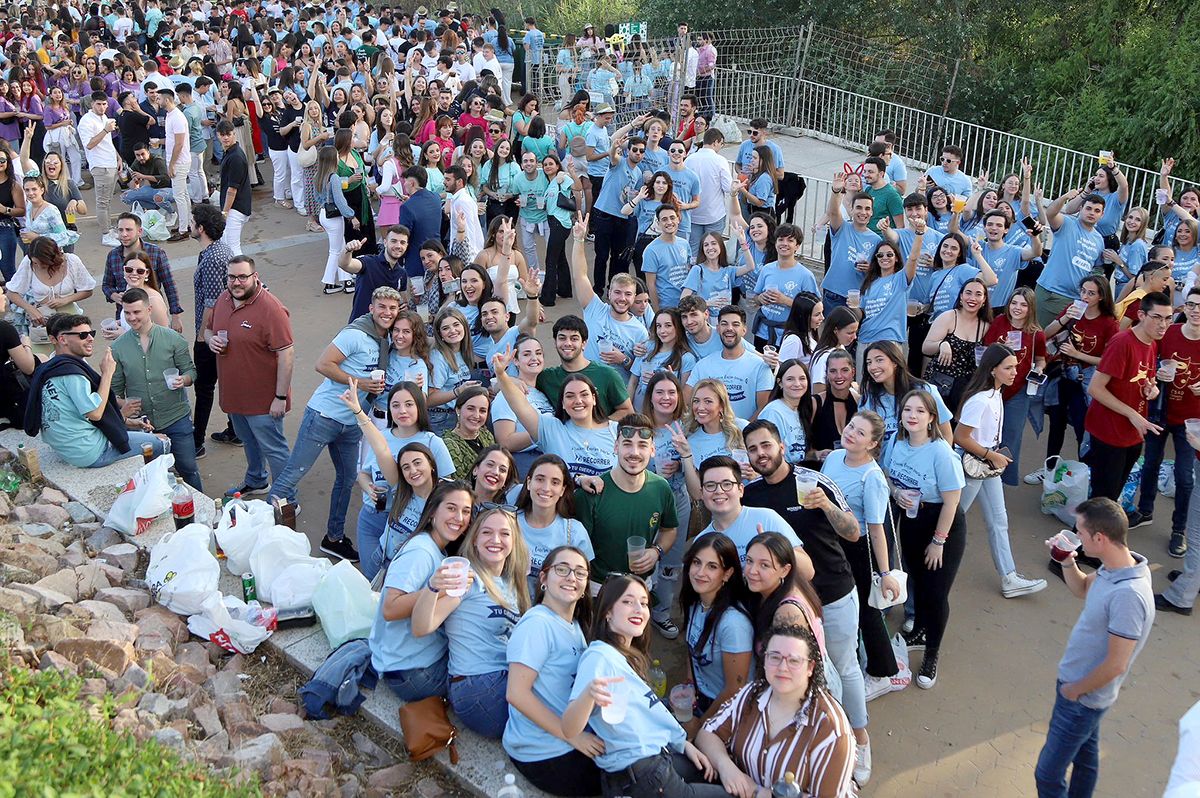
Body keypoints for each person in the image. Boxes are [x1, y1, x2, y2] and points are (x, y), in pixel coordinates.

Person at [742, 418, 875, 784]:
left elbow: (853, 531)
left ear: (781, 445)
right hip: (788, 604)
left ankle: (860, 741)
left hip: (833, 593)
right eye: (753, 449)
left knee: (845, 667)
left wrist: (827, 507)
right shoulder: (751, 495)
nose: (760, 454)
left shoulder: (813, 480)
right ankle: (826, 747)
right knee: (813, 678)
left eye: (766, 445)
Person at [1034, 498, 1155, 798]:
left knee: (1047, 775)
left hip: (1082, 698)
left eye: (1081, 533)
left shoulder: (1129, 596)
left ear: (1100, 539)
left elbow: (1117, 664)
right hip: (1083, 692)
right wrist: (1066, 560)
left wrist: (1074, 690)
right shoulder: (1116, 567)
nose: (1077, 537)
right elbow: (1083, 589)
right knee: (1086, 761)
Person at [270, 288, 402, 560]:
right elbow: (323, 365)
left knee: (346, 479)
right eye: (382, 307)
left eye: (392, 308)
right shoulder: (355, 335)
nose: (387, 313)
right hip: (323, 417)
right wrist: (360, 383)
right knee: (293, 474)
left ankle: (334, 537)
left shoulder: (386, 339)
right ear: (371, 308)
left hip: (352, 422)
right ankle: (263, 534)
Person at [563, 575, 724, 798]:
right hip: (642, 776)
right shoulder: (600, 656)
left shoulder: (626, 657)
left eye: (644, 603)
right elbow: (570, 728)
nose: (639, 609)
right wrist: (588, 695)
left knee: (716, 773)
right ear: (607, 612)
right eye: (628, 602)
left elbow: (646, 715)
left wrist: (685, 745)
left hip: (655, 761)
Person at [696, 624, 856, 798]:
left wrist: (760, 793)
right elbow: (707, 734)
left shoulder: (831, 730)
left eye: (794, 660)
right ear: (764, 660)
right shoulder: (752, 693)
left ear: (810, 668)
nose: (782, 667)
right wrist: (725, 766)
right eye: (774, 657)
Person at [412, 507, 530, 738]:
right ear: (474, 539)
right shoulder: (467, 579)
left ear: (514, 541)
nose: (495, 540)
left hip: (507, 677)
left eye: (505, 534)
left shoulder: (512, 585)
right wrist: (433, 587)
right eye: (486, 532)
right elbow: (420, 627)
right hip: (477, 686)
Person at [504, 546, 603, 796]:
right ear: (544, 578)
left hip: (569, 731)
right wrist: (572, 736)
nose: (572, 577)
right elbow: (516, 693)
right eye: (562, 569)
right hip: (542, 749)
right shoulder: (538, 624)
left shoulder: (576, 625)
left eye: (580, 573)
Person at [884, 390, 966, 689]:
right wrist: (896, 492)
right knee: (917, 579)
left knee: (935, 593)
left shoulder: (941, 452)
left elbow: (953, 501)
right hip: (911, 521)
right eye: (907, 410)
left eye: (920, 411)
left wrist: (939, 541)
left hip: (942, 526)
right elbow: (888, 475)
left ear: (932, 417)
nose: (912, 415)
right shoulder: (896, 442)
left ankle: (932, 652)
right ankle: (918, 631)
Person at [952, 343, 1047, 598]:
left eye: (1015, 367)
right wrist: (991, 455)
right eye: (1009, 368)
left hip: (987, 465)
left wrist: (992, 456)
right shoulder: (980, 400)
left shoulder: (994, 394)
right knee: (952, 520)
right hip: (975, 465)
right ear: (993, 370)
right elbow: (960, 436)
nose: (1015, 372)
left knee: (998, 520)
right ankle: (931, 570)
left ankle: (1009, 576)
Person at [821, 410, 904, 701]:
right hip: (830, 543)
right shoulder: (833, 457)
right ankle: (852, 663)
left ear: (872, 444)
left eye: (860, 432)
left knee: (866, 611)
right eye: (851, 426)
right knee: (843, 609)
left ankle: (882, 673)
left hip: (859, 549)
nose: (851, 433)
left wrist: (885, 574)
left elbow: (877, 529)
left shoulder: (873, 477)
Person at [370, 480, 474, 702]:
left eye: (466, 511)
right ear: (433, 511)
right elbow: (390, 608)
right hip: (410, 671)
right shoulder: (421, 551)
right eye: (451, 508)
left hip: (408, 660)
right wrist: (441, 589)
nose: (459, 518)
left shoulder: (440, 550)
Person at [23, 313, 168, 468]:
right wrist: (107, 373)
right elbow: (95, 413)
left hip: (66, 446)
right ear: (62, 339)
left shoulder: (49, 368)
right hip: (89, 452)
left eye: (91, 333)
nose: (91, 339)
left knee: (139, 433)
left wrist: (129, 422)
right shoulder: (71, 374)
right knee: (161, 442)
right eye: (83, 335)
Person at [205, 255, 294, 497]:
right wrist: (210, 339)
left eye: (243, 276)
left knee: (274, 449)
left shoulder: (271, 309)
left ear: (255, 277)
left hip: (264, 400)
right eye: (232, 277)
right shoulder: (224, 299)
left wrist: (280, 397)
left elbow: (286, 354)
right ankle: (256, 480)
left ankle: (286, 499)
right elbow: (209, 328)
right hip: (235, 395)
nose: (237, 282)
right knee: (249, 441)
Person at [1128, 286, 1200, 558]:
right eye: (1191, 304)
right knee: (1150, 464)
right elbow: (1150, 358)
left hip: (1191, 422)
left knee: (1184, 477)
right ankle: (1145, 510)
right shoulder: (1169, 332)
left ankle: (1179, 529)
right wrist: (1158, 372)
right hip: (1160, 412)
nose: (1195, 310)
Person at [573, 413, 679, 598]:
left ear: (652, 449)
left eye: (642, 445)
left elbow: (669, 529)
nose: (635, 453)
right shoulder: (592, 492)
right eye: (627, 444)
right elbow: (576, 551)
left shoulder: (661, 488)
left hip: (641, 588)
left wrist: (656, 552)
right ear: (616, 447)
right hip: (599, 590)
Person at [109, 288, 202, 490]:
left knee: (188, 468)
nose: (132, 318)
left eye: (137, 312)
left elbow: (190, 371)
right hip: (142, 425)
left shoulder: (173, 339)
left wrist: (183, 380)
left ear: (149, 309)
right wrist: (124, 403)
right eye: (127, 313)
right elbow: (115, 390)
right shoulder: (118, 347)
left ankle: (202, 516)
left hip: (175, 417)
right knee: (150, 475)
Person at [1082, 291, 1171, 502]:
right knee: (1102, 499)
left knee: (1111, 498)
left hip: (1133, 432)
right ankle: (1081, 534)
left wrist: (1152, 390)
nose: (1163, 325)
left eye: (1168, 318)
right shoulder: (1122, 342)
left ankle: (1088, 533)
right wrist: (1132, 414)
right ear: (1141, 315)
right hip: (1109, 432)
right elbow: (1095, 388)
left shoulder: (1152, 343)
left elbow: (1141, 381)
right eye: (1157, 317)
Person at [494, 346, 619, 481]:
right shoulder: (551, 430)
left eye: (584, 395)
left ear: (594, 399)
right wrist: (501, 374)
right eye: (570, 396)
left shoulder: (616, 431)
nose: (578, 401)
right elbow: (520, 404)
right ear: (563, 404)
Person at [678, 533, 753, 721]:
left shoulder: (733, 624)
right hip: (699, 699)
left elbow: (735, 690)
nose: (700, 572)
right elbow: (691, 648)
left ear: (727, 574)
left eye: (712, 566)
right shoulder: (696, 602)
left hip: (725, 712)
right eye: (696, 563)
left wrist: (701, 725)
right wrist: (689, 684)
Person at [569, 214, 649, 384]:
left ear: (634, 297)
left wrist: (624, 360)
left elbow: (642, 372)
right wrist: (578, 240)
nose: (622, 298)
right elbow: (580, 275)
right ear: (609, 293)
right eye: (618, 292)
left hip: (617, 394)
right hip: (587, 387)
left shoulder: (639, 331)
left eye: (628, 294)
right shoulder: (595, 308)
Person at [982, 288, 1048, 486]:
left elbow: (1040, 359)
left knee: (1011, 435)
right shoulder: (999, 322)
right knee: (986, 432)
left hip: (1019, 390)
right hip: (992, 387)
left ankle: (1004, 479)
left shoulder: (1036, 333)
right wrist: (1001, 347)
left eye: (1023, 305)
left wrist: (1039, 369)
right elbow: (985, 351)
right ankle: (981, 470)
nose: (1017, 308)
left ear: (1031, 308)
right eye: (1014, 303)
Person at [693, 454, 806, 565]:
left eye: (727, 484)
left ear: (741, 490)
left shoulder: (766, 518)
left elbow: (808, 571)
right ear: (702, 493)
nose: (719, 491)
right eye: (710, 485)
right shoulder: (701, 541)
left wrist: (775, 547)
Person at [189, 204, 235, 457]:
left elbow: (211, 302)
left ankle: (196, 442)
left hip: (212, 335)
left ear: (201, 228)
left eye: (192, 221)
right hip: (222, 333)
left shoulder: (212, 259)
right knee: (226, 382)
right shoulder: (218, 252)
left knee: (204, 388)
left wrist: (200, 337)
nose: (189, 224)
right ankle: (234, 429)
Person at [513, 455, 595, 593]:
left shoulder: (575, 532)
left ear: (563, 490)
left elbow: (582, 584)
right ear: (528, 483)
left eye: (555, 482)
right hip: (510, 608)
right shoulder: (509, 522)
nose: (546, 488)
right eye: (540, 479)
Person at [1035, 187, 1107, 327]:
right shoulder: (1067, 223)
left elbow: (1097, 268)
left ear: (1102, 215)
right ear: (1080, 209)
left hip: (1076, 300)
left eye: (1097, 210)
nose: (1092, 213)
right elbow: (1050, 213)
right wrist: (1065, 197)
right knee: (1036, 337)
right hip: (1050, 293)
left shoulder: (1099, 240)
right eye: (1088, 208)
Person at [102, 213, 184, 334]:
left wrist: (176, 315)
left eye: (128, 230)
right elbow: (106, 285)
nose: (124, 234)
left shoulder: (156, 253)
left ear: (139, 231)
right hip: (124, 314)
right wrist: (113, 295)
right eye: (120, 230)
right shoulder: (113, 255)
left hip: (151, 315)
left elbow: (169, 284)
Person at [687, 305, 772, 421]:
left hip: (746, 435)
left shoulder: (760, 366)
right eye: (724, 324)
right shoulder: (703, 365)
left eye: (735, 324)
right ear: (717, 328)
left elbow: (764, 408)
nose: (729, 328)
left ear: (744, 330)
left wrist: (744, 433)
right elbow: (686, 402)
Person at [494, 334, 557, 477]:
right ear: (516, 361)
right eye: (527, 354)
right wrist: (544, 430)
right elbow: (505, 441)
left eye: (539, 353)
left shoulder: (543, 392)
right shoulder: (507, 395)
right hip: (525, 463)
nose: (534, 358)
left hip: (550, 459)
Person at [751, 224, 820, 348]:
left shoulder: (805, 275)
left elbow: (814, 308)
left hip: (789, 335)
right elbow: (755, 296)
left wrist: (784, 300)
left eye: (790, 240)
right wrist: (760, 298)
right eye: (781, 239)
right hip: (763, 331)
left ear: (797, 246)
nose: (784, 243)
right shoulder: (767, 269)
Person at [822, 170, 882, 310]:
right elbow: (833, 212)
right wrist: (836, 191)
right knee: (829, 332)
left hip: (856, 297)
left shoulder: (876, 239)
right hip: (833, 293)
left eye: (867, 209)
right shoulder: (842, 227)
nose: (863, 212)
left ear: (872, 212)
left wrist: (870, 268)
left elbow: (879, 271)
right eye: (859, 208)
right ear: (851, 209)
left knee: (850, 332)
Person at [340, 227, 412, 322]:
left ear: (406, 245)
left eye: (402, 242)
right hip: (361, 327)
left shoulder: (402, 273)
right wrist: (348, 250)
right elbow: (345, 265)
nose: (398, 246)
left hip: (385, 329)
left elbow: (402, 302)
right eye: (393, 241)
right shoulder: (368, 262)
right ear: (385, 242)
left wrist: (407, 304)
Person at [683, 128, 733, 260]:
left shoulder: (689, 160)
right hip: (714, 214)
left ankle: (693, 275)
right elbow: (728, 187)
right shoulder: (720, 160)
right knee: (713, 251)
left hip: (693, 213)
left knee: (693, 251)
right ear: (716, 142)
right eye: (721, 144)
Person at [77, 91, 119, 238]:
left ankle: (109, 229)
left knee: (107, 201)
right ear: (92, 104)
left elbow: (108, 141)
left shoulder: (104, 117)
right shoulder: (86, 121)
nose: (102, 107)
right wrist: (105, 130)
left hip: (111, 163)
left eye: (104, 104)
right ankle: (106, 234)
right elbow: (89, 144)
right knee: (102, 202)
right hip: (100, 165)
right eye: (98, 104)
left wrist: (118, 157)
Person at [158, 88, 191, 241]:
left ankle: (184, 230)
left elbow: (179, 144)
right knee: (183, 194)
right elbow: (172, 140)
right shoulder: (171, 115)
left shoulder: (177, 117)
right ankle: (188, 223)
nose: (157, 101)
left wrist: (171, 164)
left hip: (179, 162)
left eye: (159, 98)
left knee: (179, 196)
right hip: (178, 160)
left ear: (167, 100)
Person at [216, 120, 252, 255]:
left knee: (233, 247)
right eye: (222, 134)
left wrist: (224, 213)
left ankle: (245, 274)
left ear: (234, 134)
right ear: (218, 135)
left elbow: (232, 189)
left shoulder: (235, 157)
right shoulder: (230, 152)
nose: (225, 137)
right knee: (227, 245)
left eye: (228, 134)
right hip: (235, 208)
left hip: (235, 209)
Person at [443, 385, 496, 478]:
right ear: (458, 410)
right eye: (471, 409)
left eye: (482, 411)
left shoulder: (486, 434)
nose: (476, 415)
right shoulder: (449, 444)